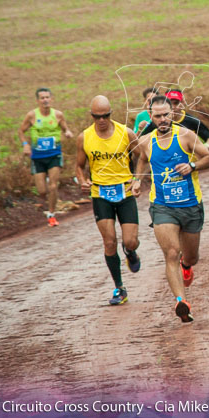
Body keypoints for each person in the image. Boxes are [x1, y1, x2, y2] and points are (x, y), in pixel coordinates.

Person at [134, 95, 209, 323]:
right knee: (171, 253)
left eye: (166, 115)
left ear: (173, 114)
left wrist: (192, 165)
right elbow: (141, 159)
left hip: (190, 204)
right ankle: (181, 301)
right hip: (162, 206)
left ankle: (187, 266)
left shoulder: (186, 135)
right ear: (150, 117)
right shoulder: (147, 141)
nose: (162, 120)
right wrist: (137, 180)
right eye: (158, 116)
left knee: (190, 256)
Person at [75, 95, 142, 306]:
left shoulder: (126, 133)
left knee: (129, 240)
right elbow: (78, 165)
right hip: (100, 194)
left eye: (105, 116)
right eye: (97, 117)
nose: (102, 120)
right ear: (92, 116)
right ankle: (119, 287)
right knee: (110, 241)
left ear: (111, 114)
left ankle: (130, 251)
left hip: (124, 192)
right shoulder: (84, 137)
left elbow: (142, 155)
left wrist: (138, 179)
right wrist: (83, 180)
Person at [19, 87, 74, 227]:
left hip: (54, 154)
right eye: (42, 98)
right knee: (42, 191)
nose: (45, 100)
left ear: (51, 99)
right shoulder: (32, 115)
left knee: (53, 186)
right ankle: (48, 186)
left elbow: (65, 128)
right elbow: (21, 131)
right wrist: (25, 144)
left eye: (47, 97)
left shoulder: (58, 115)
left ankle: (51, 214)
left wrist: (67, 132)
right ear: (38, 101)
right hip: (37, 156)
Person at [138, 90, 209, 150]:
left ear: (182, 103)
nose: (173, 106)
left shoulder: (192, 121)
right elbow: (139, 143)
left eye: (176, 103)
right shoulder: (158, 123)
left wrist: (204, 147)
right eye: (170, 103)